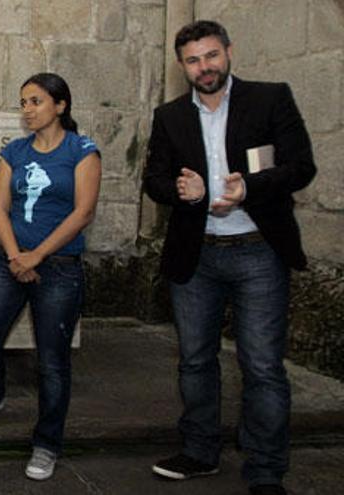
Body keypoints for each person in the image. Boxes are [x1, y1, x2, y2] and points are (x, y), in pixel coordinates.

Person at [142, 20, 316, 495]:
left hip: (259, 251)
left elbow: (301, 166)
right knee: (195, 361)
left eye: (211, 55)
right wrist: (183, 191)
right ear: (183, 67)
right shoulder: (170, 116)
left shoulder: (270, 98)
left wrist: (248, 189)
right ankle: (199, 453)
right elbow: (153, 179)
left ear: (227, 52)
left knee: (261, 365)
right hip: (196, 257)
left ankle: (264, 468)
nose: (205, 67)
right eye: (194, 60)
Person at [0, 73, 102, 481]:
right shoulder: (14, 151)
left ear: (60, 105)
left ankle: (46, 444)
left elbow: (83, 213)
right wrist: (16, 254)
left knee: (52, 362)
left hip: (59, 268)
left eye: (36, 101)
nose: (28, 110)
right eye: (23, 102)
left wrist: (39, 254)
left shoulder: (82, 151)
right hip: (10, 260)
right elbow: (0, 208)